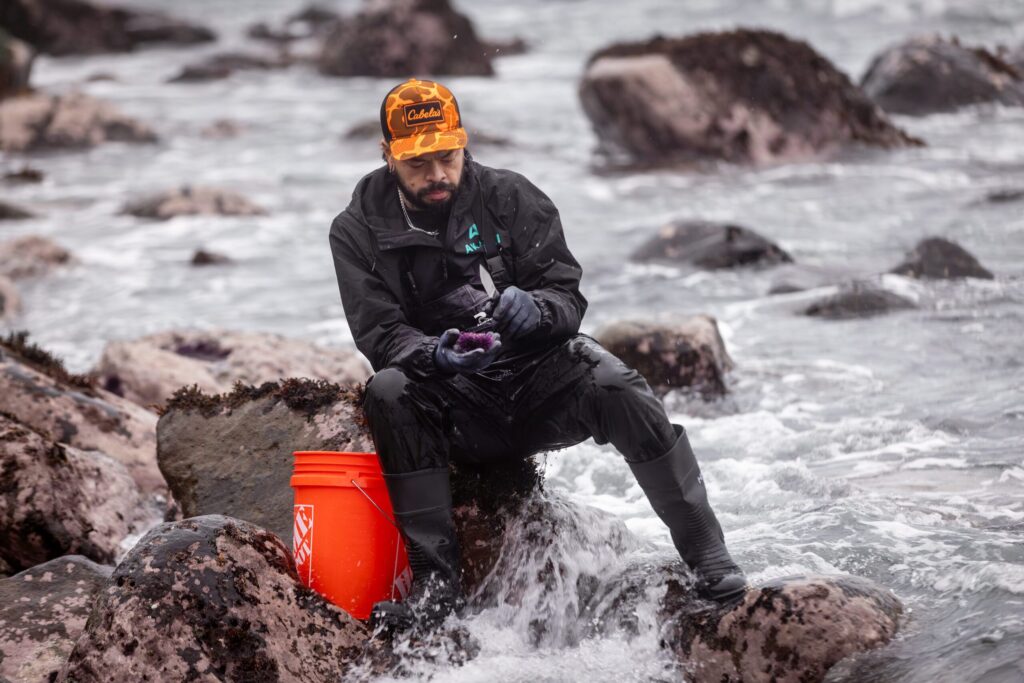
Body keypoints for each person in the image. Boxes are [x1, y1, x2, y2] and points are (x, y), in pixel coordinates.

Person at [328, 78, 746, 632]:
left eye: (446, 158)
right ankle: (435, 586)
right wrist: (435, 354)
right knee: (387, 392)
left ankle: (706, 552)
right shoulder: (355, 230)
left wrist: (538, 309)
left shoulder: (511, 196)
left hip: (535, 384)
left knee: (616, 384)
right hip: (453, 406)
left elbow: (566, 295)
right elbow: (379, 334)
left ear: (463, 142)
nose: (435, 175)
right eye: (416, 164)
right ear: (387, 156)